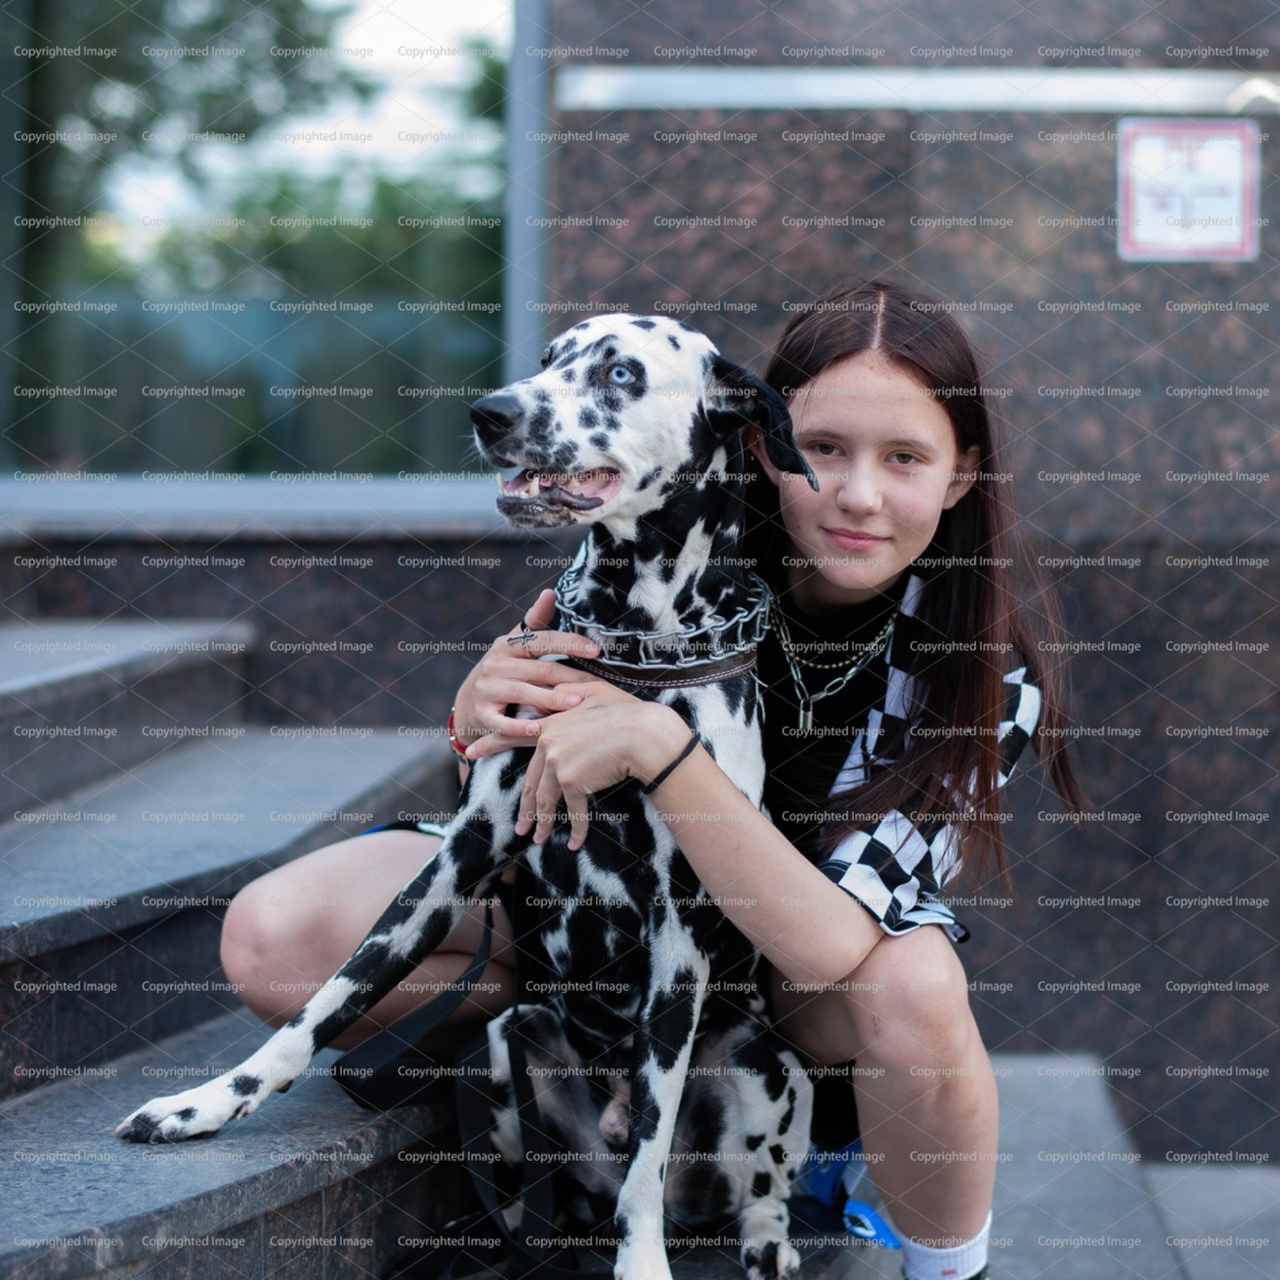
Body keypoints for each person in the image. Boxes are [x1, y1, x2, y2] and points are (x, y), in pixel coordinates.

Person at [220, 277, 1088, 1280]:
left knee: (913, 974)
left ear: (958, 475)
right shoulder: (684, 537)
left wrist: (660, 750)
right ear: (758, 440)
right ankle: (566, 1075)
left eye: (903, 458)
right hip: (589, 907)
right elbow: (518, 737)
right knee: (274, 938)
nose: (855, 492)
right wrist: (484, 704)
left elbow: (824, 944)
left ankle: (920, 1239)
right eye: (827, 449)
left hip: (779, 990)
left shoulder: (979, 673)